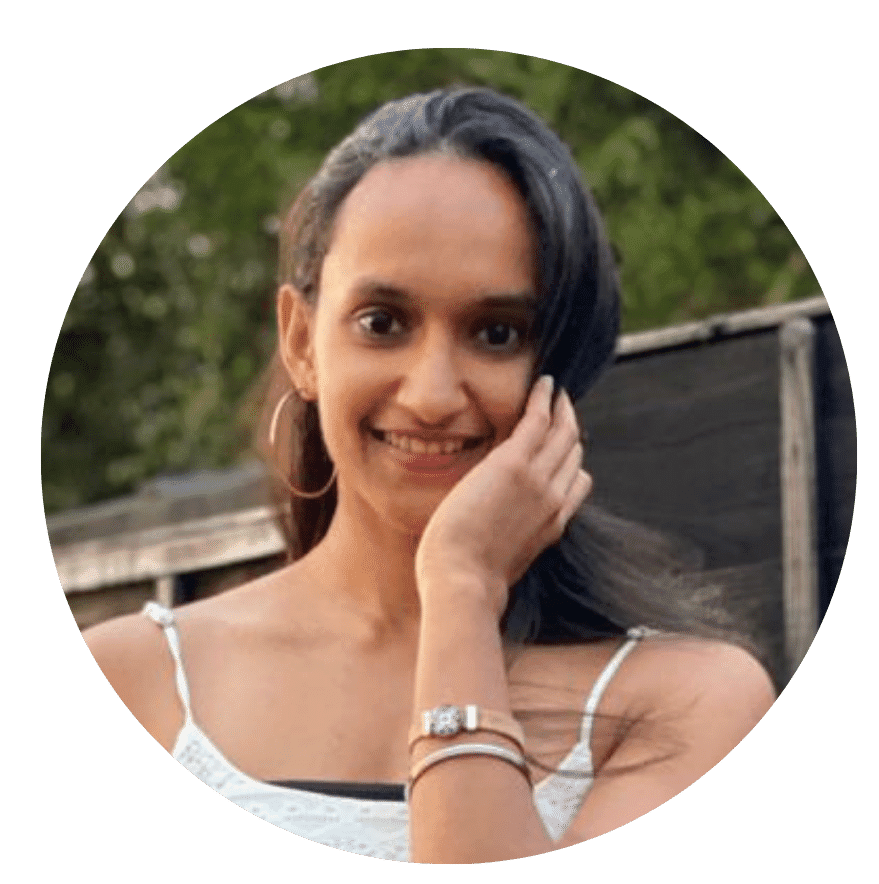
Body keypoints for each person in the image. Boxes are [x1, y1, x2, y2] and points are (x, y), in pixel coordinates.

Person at [84, 88, 776, 863]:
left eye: (496, 333)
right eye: (382, 323)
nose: (432, 395)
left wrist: (460, 590)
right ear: (302, 341)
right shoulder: (130, 684)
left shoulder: (687, 701)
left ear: (559, 366)